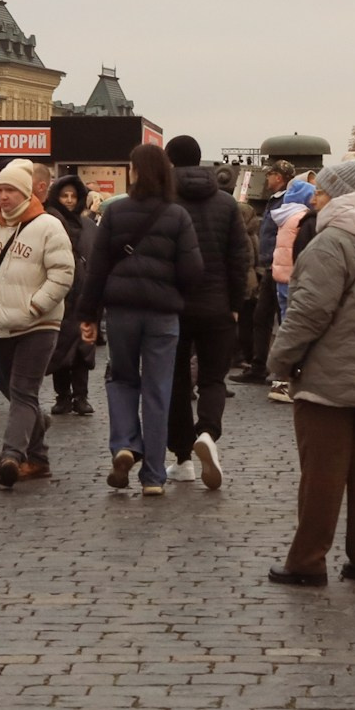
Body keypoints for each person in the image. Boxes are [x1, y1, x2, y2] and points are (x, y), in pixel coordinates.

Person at [265, 154, 355, 586]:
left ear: (341, 195)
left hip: (331, 375)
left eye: (322, 191)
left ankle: (307, 560)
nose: (315, 200)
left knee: (322, 473)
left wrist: (280, 360)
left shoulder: (330, 244)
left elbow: (308, 312)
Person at [72, 144, 203, 496]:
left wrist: (88, 314)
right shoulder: (177, 216)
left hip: (122, 311)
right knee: (158, 390)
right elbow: (193, 270)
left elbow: (97, 267)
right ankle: (154, 477)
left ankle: (125, 444)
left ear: (135, 172)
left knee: (121, 379)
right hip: (163, 314)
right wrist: (173, 290)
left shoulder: (115, 212)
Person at [0, 159, 73, 488]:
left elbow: (62, 273)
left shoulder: (48, 226)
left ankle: (12, 455)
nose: (3, 196)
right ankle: (38, 450)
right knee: (2, 381)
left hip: (38, 325)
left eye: (10, 190)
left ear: (26, 192)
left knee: (23, 389)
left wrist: (37, 305)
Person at [166, 136, 250, 488]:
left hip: (174, 305)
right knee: (214, 378)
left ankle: (182, 458)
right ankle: (208, 433)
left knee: (175, 382)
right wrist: (236, 305)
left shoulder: (165, 200)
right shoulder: (226, 203)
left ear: (170, 161)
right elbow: (239, 258)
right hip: (217, 305)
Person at [233, 160, 297, 384]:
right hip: (272, 265)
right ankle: (260, 365)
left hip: (280, 266)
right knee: (262, 317)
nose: (267, 178)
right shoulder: (277, 200)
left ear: (278, 177)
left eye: (270, 174)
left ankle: (282, 370)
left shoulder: (286, 201)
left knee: (281, 317)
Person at [46, 173, 98, 416]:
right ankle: (63, 396)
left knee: (83, 347)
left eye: (73, 196)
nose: (68, 200)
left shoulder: (89, 227)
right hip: (59, 296)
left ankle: (81, 396)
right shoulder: (49, 224)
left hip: (85, 296)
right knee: (59, 348)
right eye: (64, 195)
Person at [265, 179, 316, 404]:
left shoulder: (284, 216)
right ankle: (285, 379)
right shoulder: (302, 219)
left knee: (285, 323)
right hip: (296, 278)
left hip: (281, 277)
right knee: (296, 327)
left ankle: (280, 376)